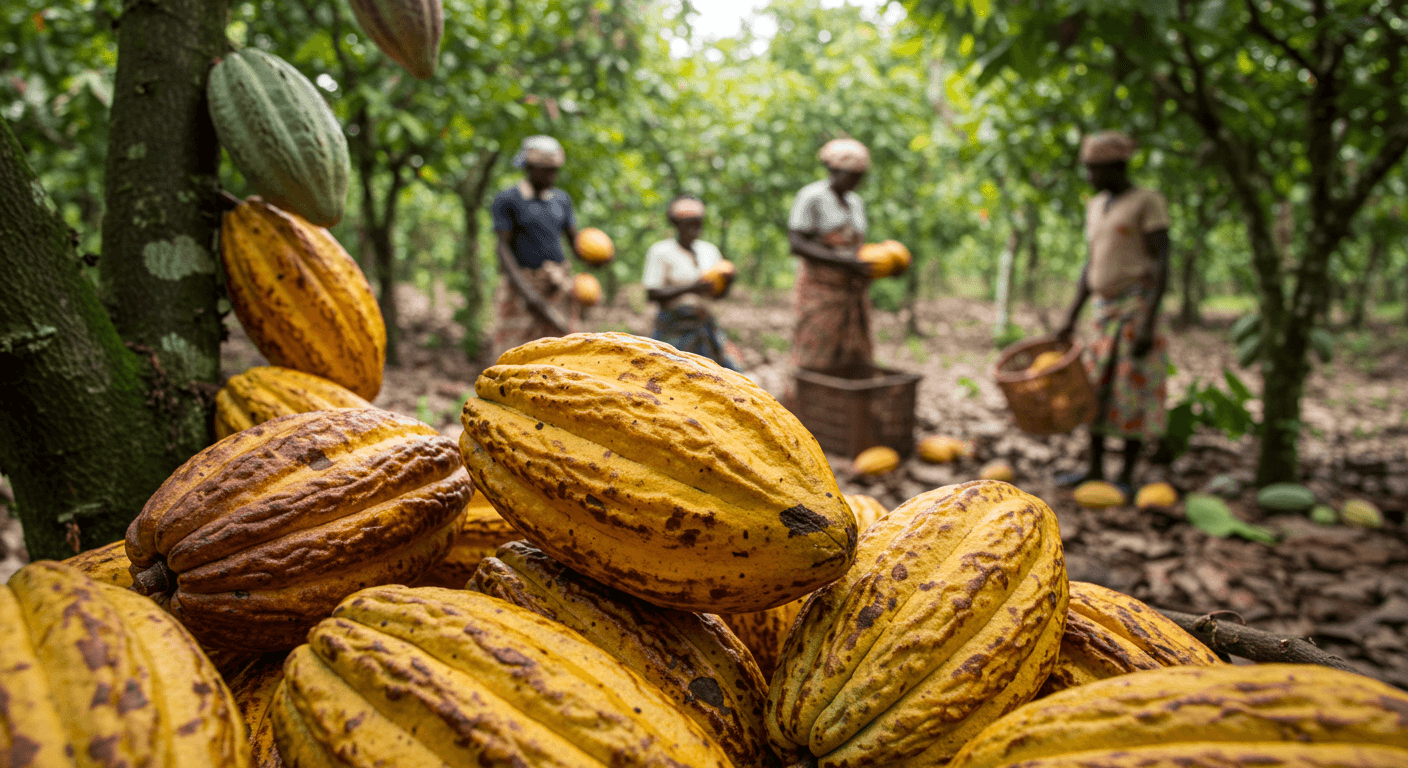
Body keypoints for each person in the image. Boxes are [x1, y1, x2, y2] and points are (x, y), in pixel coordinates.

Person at [1056, 130, 1172, 493]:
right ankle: (1094, 469)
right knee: (1094, 391)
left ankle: (1126, 476)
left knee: (1132, 391)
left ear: (1118, 167)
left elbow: (1162, 262)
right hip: (1102, 312)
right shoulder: (1095, 205)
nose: (1090, 175)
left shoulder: (1147, 202)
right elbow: (1091, 264)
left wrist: (1148, 323)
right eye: (1088, 168)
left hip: (1136, 309)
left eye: (1096, 168)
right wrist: (1070, 315)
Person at [786, 138, 875, 377]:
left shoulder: (855, 202)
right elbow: (797, 243)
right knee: (815, 349)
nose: (855, 181)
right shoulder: (812, 196)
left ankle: (845, 397)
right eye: (851, 175)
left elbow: (856, 246)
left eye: (859, 176)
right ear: (833, 170)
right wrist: (843, 261)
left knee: (853, 352)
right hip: (820, 290)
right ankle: (809, 395)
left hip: (852, 290)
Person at [489, 135, 582, 359]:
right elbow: (502, 248)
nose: (552, 176)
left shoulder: (561, 200)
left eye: (554, 170)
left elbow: (576, 242)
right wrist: (527, 293)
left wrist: (598, 259)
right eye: (546, 170)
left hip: (556, 282)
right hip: (522, 283)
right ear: (529, 168)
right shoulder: (509, 200)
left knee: (560, 349)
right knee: (515, 350)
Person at [641, 195, 741, 370]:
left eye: (698, 223)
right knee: (669, 372)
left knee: (726, 372)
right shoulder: (661, 251)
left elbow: (717, 295)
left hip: (704, 323)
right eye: (688, 223)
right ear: (676, 224)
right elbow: (652, 293)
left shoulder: (709, 251)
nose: (694, 228)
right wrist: (693, 287)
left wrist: (728, 282)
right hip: (673, 325)